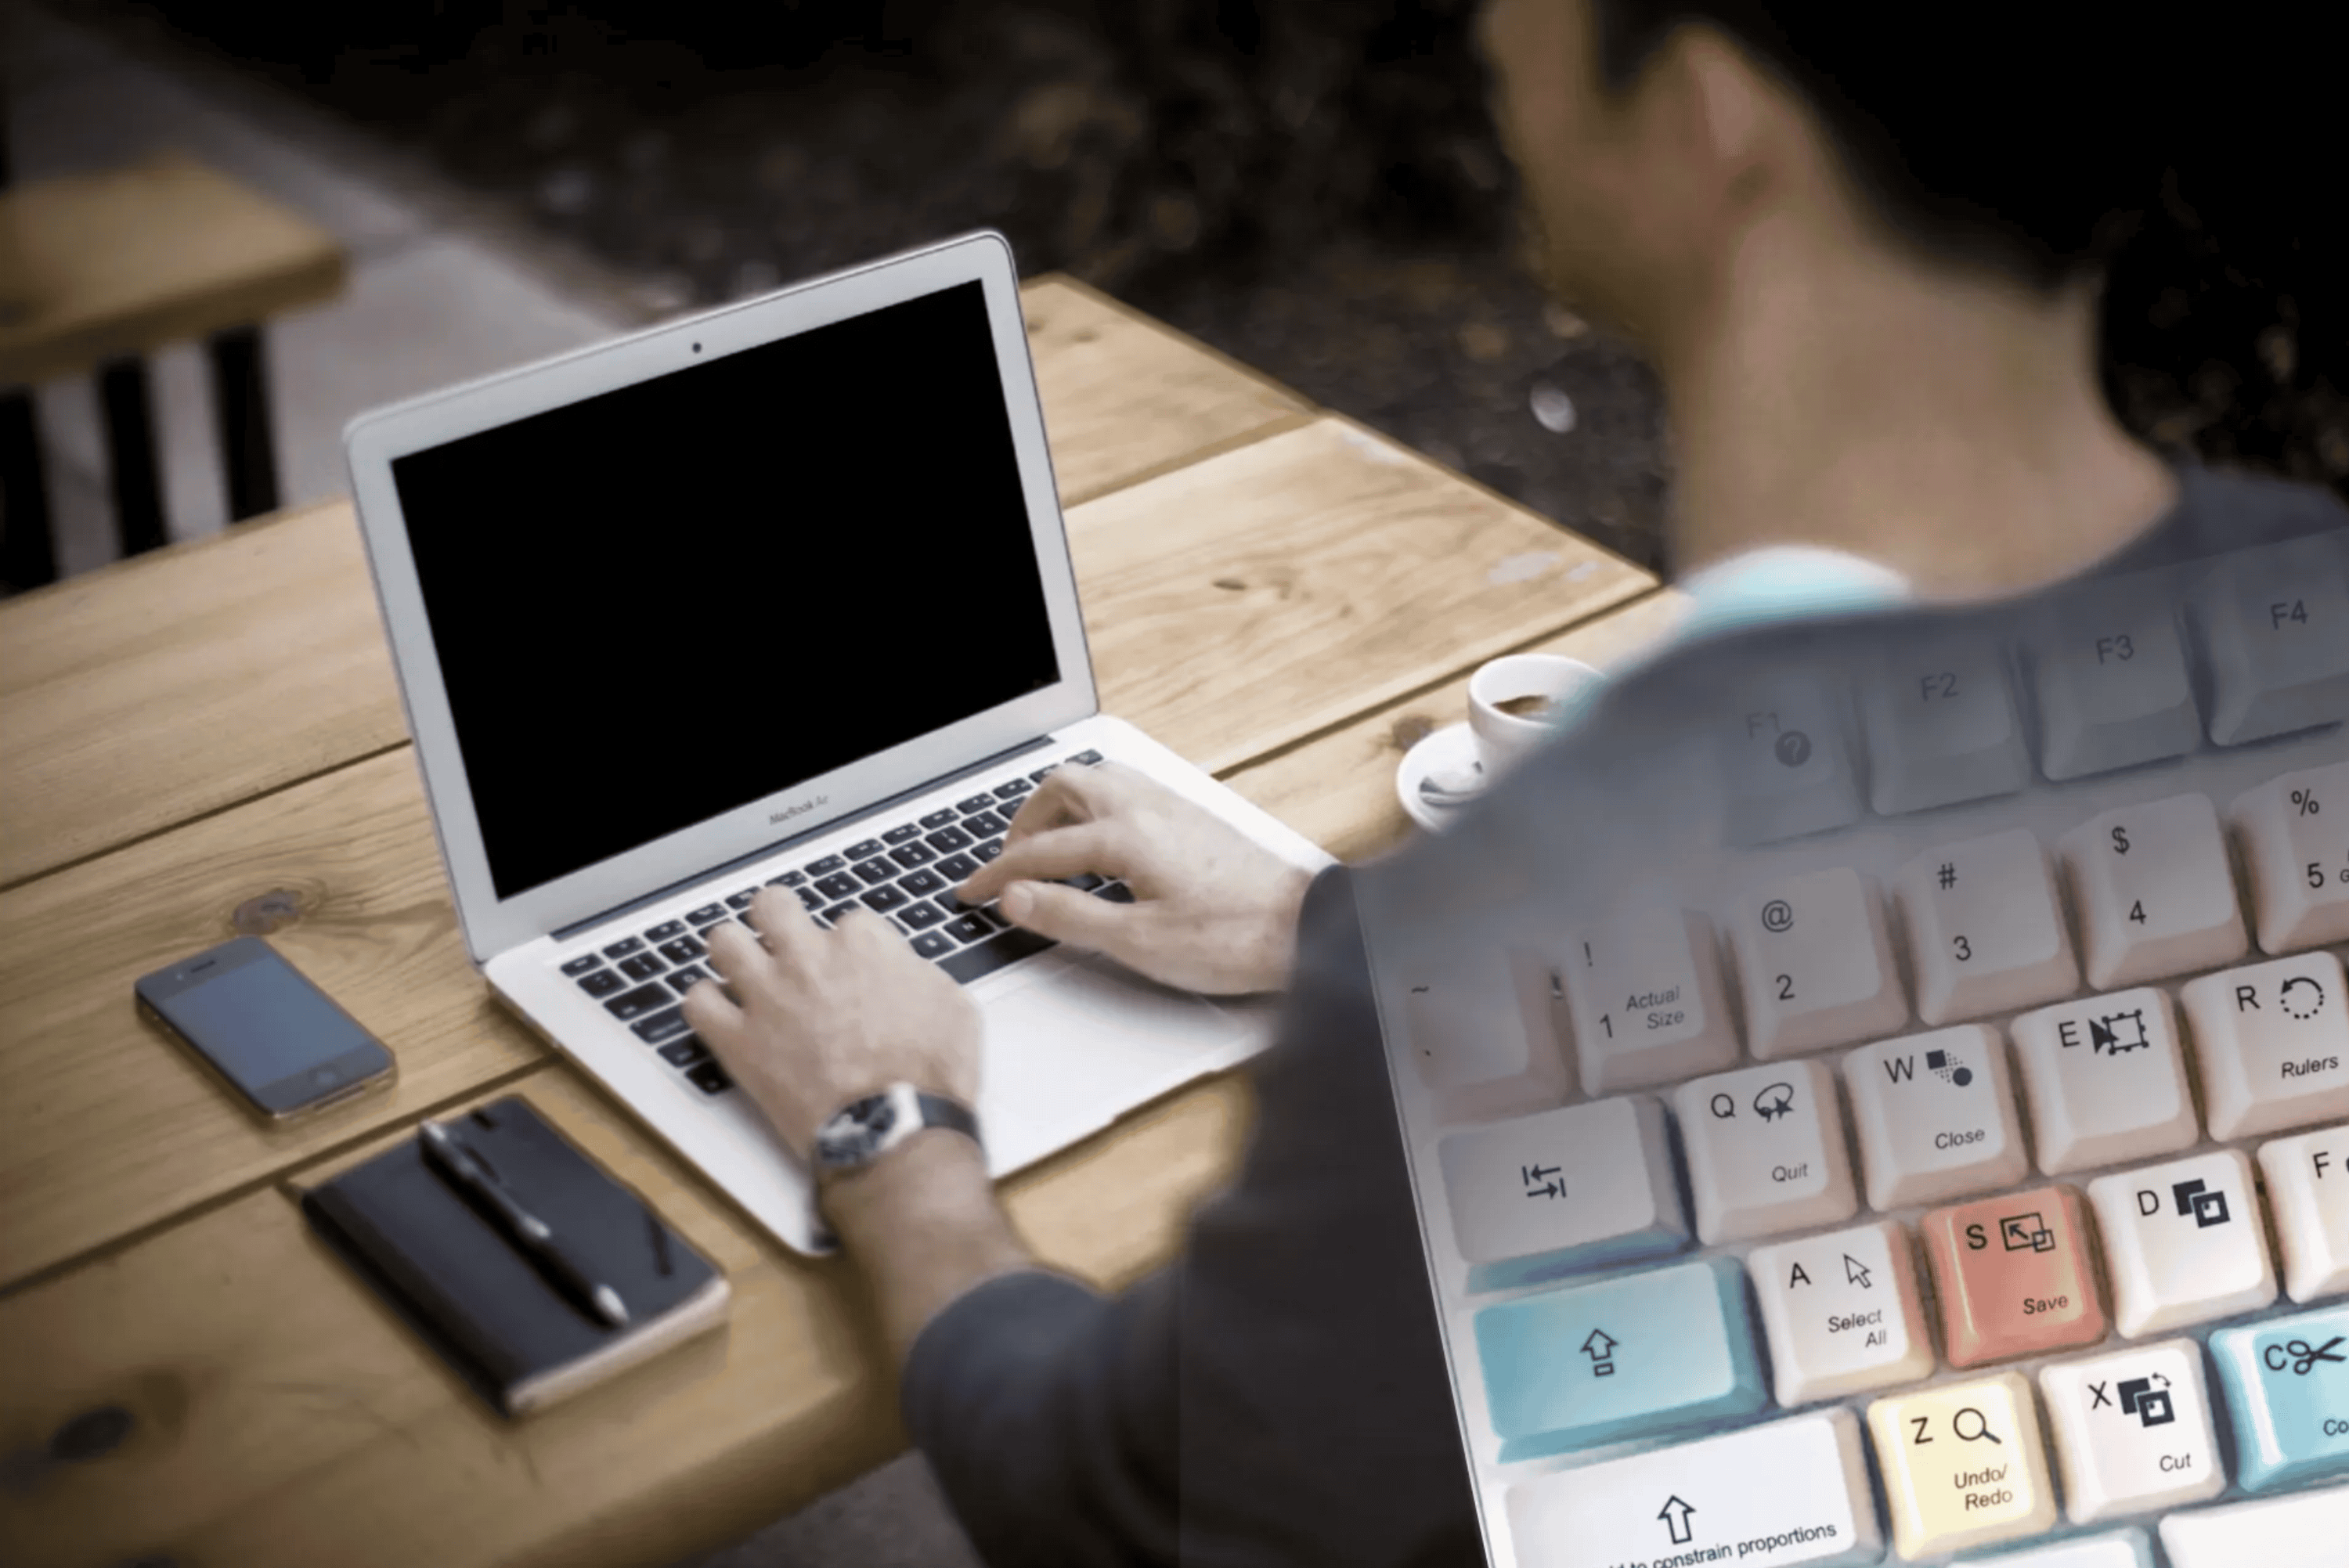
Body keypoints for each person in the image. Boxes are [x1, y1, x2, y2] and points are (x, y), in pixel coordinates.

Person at [681, 2, 2347, 1562]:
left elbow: (1122, 1506)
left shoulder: (1572, 901)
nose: (1484, 28)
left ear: (1707, 124)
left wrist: (891, 1126)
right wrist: (1345, 926)